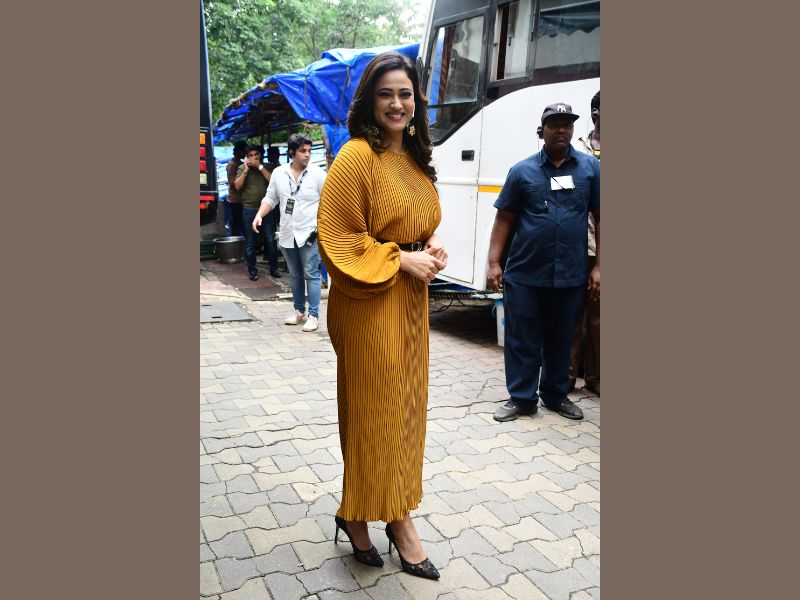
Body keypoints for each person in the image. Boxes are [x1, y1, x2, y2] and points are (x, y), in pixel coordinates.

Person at [317, 51, 446, 580]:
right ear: (370, 101)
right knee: (375, 411)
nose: (397, 103)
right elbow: (337, 237)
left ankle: (363, 511)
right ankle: (395, 519)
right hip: (368, 301)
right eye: (386, 93)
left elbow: (421, 220)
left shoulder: (414, 157)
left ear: (416, 101)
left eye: (405, 94)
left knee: (405, 410)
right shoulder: (355, 157)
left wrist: (431, 245)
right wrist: (401, 258)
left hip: (410, 302)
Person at [488, 102, 600, 422]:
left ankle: (555, 395)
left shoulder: (591, 169)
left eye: (567, 124)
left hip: (570, 273)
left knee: (561, 338)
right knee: (522, 339)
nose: (561, 129)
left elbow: (602, 218)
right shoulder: (521, 171)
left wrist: (599, 267)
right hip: (525, 272)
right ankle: (522, 398)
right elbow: (504, 220)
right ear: (542, 131)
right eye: (554, 124)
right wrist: (494, 263)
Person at [253, 134, 326, 331]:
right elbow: (271, 198)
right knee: (295, 274)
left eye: (309, 151)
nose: (307, 155)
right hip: (287, 232)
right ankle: (299, 311)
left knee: (311, 273)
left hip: (310, 233)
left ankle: (313, 315)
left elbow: (330, 201)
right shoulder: (279, 173)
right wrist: (259, 215)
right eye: (303, 151)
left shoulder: (318, 174)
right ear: (292, 152)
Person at [570, 91, 601, 396]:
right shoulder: (577, 149)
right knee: (571, 315)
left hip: (601, 249)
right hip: (576, 247)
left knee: (599, 319)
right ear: (595, 113)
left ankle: (596, 378)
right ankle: (566, 377)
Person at [235, 144, 271, 281]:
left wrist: (260, 167)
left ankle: (274, 269)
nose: (254, 157)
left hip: (267, 209)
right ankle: (252, 271)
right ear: (247, 157)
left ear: (261, 155)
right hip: (249, 209)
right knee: (250, 242)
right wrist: (245, 170)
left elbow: (273, 181)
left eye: (257, 155)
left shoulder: (267, 166)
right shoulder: (242, 168)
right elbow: (237, 186)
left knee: (270, 239)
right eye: (251, 155)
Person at [225, 141, 248, 237]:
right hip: (235, 201)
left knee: (241, 225)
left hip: (240, 200)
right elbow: (232, 183)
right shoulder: (232, 164)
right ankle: (235, 244)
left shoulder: (239, 163)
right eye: (244, 151)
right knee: (236, 225)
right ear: (239, 151)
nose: (245, 154)